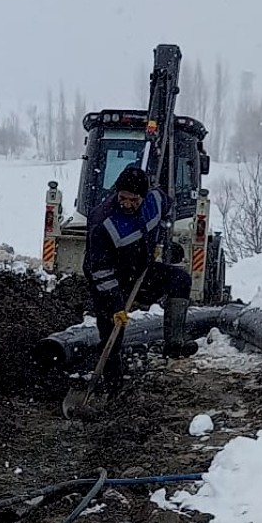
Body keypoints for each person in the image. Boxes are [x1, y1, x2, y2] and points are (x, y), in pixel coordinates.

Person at [83, 165, 198, 396]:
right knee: (112, 336)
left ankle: (174, 343)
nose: (127, 204)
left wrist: (160, 240)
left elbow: (168, 208)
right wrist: (116, 305)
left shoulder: (154, 201)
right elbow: (101, 272)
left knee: (180, 279)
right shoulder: (103, 221)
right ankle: (111, 389)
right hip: (109, 280)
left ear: (143, 197)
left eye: (133, 199)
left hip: (141, 270)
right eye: (122, 198)